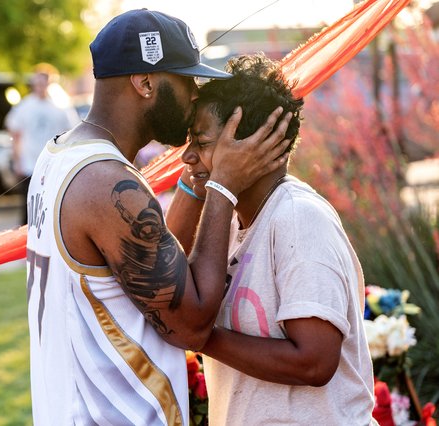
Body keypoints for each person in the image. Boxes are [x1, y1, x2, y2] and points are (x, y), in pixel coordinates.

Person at [25, 9, 292, 425]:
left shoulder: (61, 155)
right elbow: (192, 325)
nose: (194, 95)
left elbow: (160, 265)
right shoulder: (105, 183)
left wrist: (199, 175)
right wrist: (224, 183)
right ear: (146, 82)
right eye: (185, 80)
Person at [178, 53, 374, 424]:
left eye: (200, 141)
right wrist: (211, 181)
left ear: (250, 143)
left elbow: (314, 362)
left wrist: (200, 337)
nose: (187, 156)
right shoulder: (230, 218)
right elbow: (170, 276)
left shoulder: (298, 218)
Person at [4, 63, 80, 225]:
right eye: (38, 82)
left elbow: (72, 134)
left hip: (54, 167)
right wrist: (17, 161)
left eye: (45, 82)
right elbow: (15, 134)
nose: (41, 86)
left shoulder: (61, 107)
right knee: (28, 210)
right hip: (30, 166)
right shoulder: (24, 106)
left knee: (52, 209)